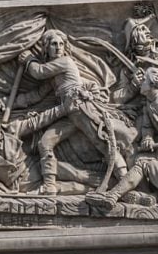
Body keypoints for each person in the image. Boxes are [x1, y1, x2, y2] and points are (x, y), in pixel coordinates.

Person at [16, 29, 136, 195]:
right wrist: (12, 103)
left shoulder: (65, 62)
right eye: (53, 44)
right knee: (45, 143)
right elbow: (37, 95)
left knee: (103, 144)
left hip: (81, 109)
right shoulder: (55, 74)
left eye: (60, 44)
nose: (58, 47)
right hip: (70, 113)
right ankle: (49, 185)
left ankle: (125, 185)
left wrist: (29, 60)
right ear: (46, 48)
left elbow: (39, 72)